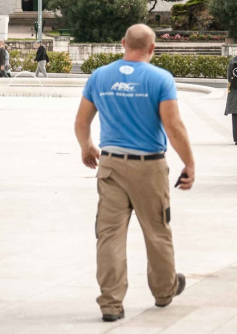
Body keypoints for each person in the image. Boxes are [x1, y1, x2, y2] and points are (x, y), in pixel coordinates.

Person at [73, 24, 194, 323]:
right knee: (157, 231)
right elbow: (173, 126)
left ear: (123, 43)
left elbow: (81, 121)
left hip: (111, 164)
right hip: (149, 166)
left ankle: (111, 303)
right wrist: (189, 163)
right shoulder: (160, 79)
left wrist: (87, 147)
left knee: (109, 235)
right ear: (152, 48)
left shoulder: (100, 76)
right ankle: (165, 291)